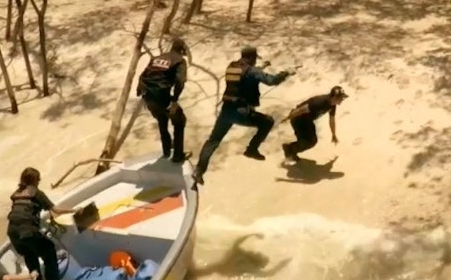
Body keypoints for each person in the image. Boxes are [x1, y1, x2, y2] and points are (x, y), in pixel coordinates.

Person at [194, 46, 292, 185]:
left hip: (226, 110)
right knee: (268, 122)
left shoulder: (232, 67)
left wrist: (261, 67)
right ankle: (252, 150)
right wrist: (286, 73)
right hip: (241, 112)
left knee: (213, 140)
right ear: (252, 58)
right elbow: (271, 81)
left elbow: (244, 77)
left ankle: (199, 170)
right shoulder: (252, 70)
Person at [6, 168, 78, 280]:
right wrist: (74, 210)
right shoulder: (37, 193)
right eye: (38, 179)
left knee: (30, 255)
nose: (39, 181)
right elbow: (56, 210)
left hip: (13, 233)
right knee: (49, 251)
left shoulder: (16, 193)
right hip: (28, 231)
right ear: (35, 180)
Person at [136, 37, 190, 163]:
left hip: (147, 94)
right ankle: (177, 155)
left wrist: (140, 93)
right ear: (182, 50)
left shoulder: (157, 58)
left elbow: (143, 75)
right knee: (180, 120)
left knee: (162, 118)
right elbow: (180, 81)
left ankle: (166, 149)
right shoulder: (180, 61)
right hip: (161, 95)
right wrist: (175, 100)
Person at [281, 86, 348, 162]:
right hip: (298, 119)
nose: (342, 99)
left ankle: (290, 149)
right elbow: (301, 110)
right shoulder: (320, 102)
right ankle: (289, 149)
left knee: (312, 141)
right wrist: (288, 117)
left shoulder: (332, 105)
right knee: (307, 142)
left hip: (307, 120)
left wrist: (333, 135)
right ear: (334, 97)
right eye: (341, 98)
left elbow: (331, 120)